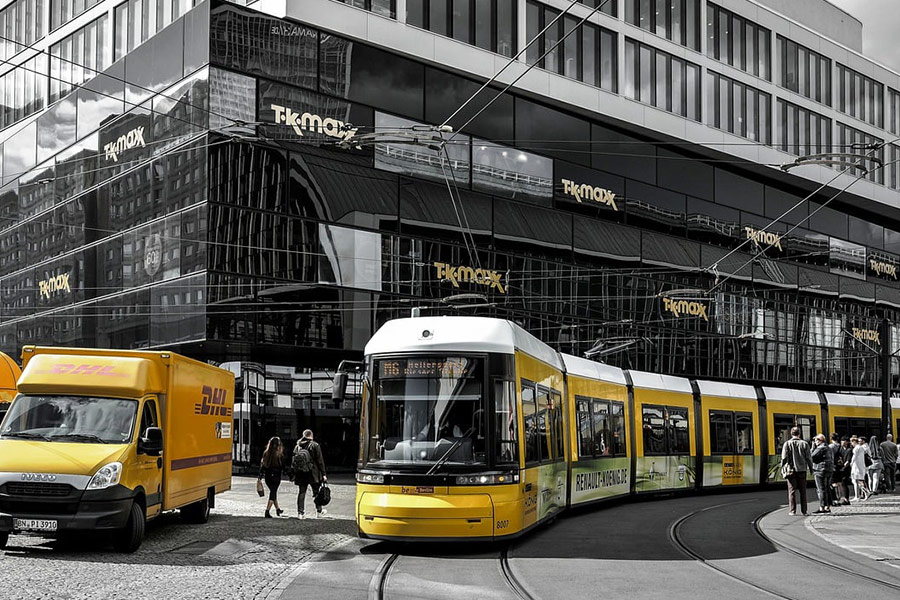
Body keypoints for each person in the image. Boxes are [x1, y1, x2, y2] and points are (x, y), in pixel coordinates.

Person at [293, 429, 328, 518]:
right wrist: (323, 473)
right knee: (316, 492)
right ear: (311, 436)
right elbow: (320, 460)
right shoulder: (315, 445)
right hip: (313, 472)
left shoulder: (298, 446)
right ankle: (319, 512)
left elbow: (293, 460)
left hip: (301, 472)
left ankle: (300, 513)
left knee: (302, 492)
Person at [781, 426, 813, 516]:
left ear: (791, 434)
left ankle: (792, 510)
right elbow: (808, 458)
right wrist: (811, 468)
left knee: (792, 491)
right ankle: (804, 511)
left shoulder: (787, 444)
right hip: (802, 470)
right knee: (803, 491)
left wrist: (782, 467)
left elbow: (784, 458)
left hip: (790, 470)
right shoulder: (805, 444)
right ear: (799, 434)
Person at [258, 436, 285, 518]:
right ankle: (267, 511)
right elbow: (282, 466)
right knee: (273, 493)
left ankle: (278, 509)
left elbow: (262, 466)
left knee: (273, 492)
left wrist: (260, 476)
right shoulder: (279, 454)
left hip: (268, 477)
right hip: (276, 476)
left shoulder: (266, 453)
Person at [810, 434, 834, 514]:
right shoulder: (828, 447)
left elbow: (812, 456)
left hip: (820, 470)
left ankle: (822, 507)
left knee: (821, 489)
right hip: (829, 470)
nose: (815, 442)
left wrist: (813, 447)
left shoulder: (821, 448)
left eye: (816, 440)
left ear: (820, 440)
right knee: (827, 488)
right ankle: (827, 507)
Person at [849, 436, 871, 501]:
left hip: (856, 466)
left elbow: (854, 456)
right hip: (861, 466)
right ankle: (864, 493)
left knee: (855, 481)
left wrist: (851, 463)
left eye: (851, 442)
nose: (851, 444)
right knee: (860, 481)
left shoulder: (856, 448)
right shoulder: (861, 448)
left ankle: (858, 495)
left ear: (854, 442)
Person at [828, 433, 845, 505]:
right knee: (840, 483)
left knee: (833, 483)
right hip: (840, 466)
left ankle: (835, 498)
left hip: (833, 466)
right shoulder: (841, 446)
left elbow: (829, 457)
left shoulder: (830, 446)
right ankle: (840, 497)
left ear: (831, 439)